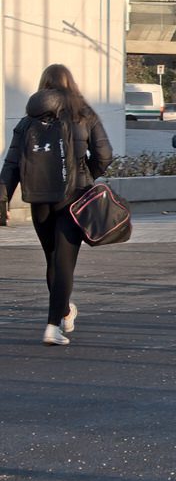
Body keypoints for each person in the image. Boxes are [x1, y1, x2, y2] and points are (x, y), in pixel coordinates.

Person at [1, 64, 114, 346]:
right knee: (64, 262)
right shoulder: (84, 114)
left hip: (39, 198)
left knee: (52, 258)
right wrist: (86, 174)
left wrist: (2, 198)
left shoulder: (28, 120)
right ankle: (53, 325)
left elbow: (12, 164)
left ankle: (63, 311)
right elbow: (104, 154)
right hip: (73, 197)